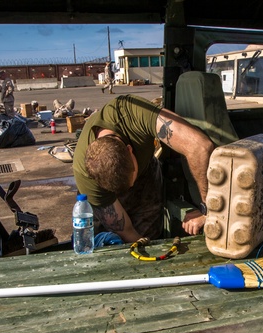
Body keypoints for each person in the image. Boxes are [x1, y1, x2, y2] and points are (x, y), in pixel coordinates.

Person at [72, 94, 214, 246]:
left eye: (131, 180)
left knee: (149, 230)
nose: (130, 187)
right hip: (103, 195)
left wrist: (208, 209)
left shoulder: (131, 113)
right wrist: (144, 249)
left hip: (146, 175)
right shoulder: (85, 175)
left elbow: (200, 147)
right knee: (102, 245)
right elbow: (125, 230)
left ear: (130, 149)